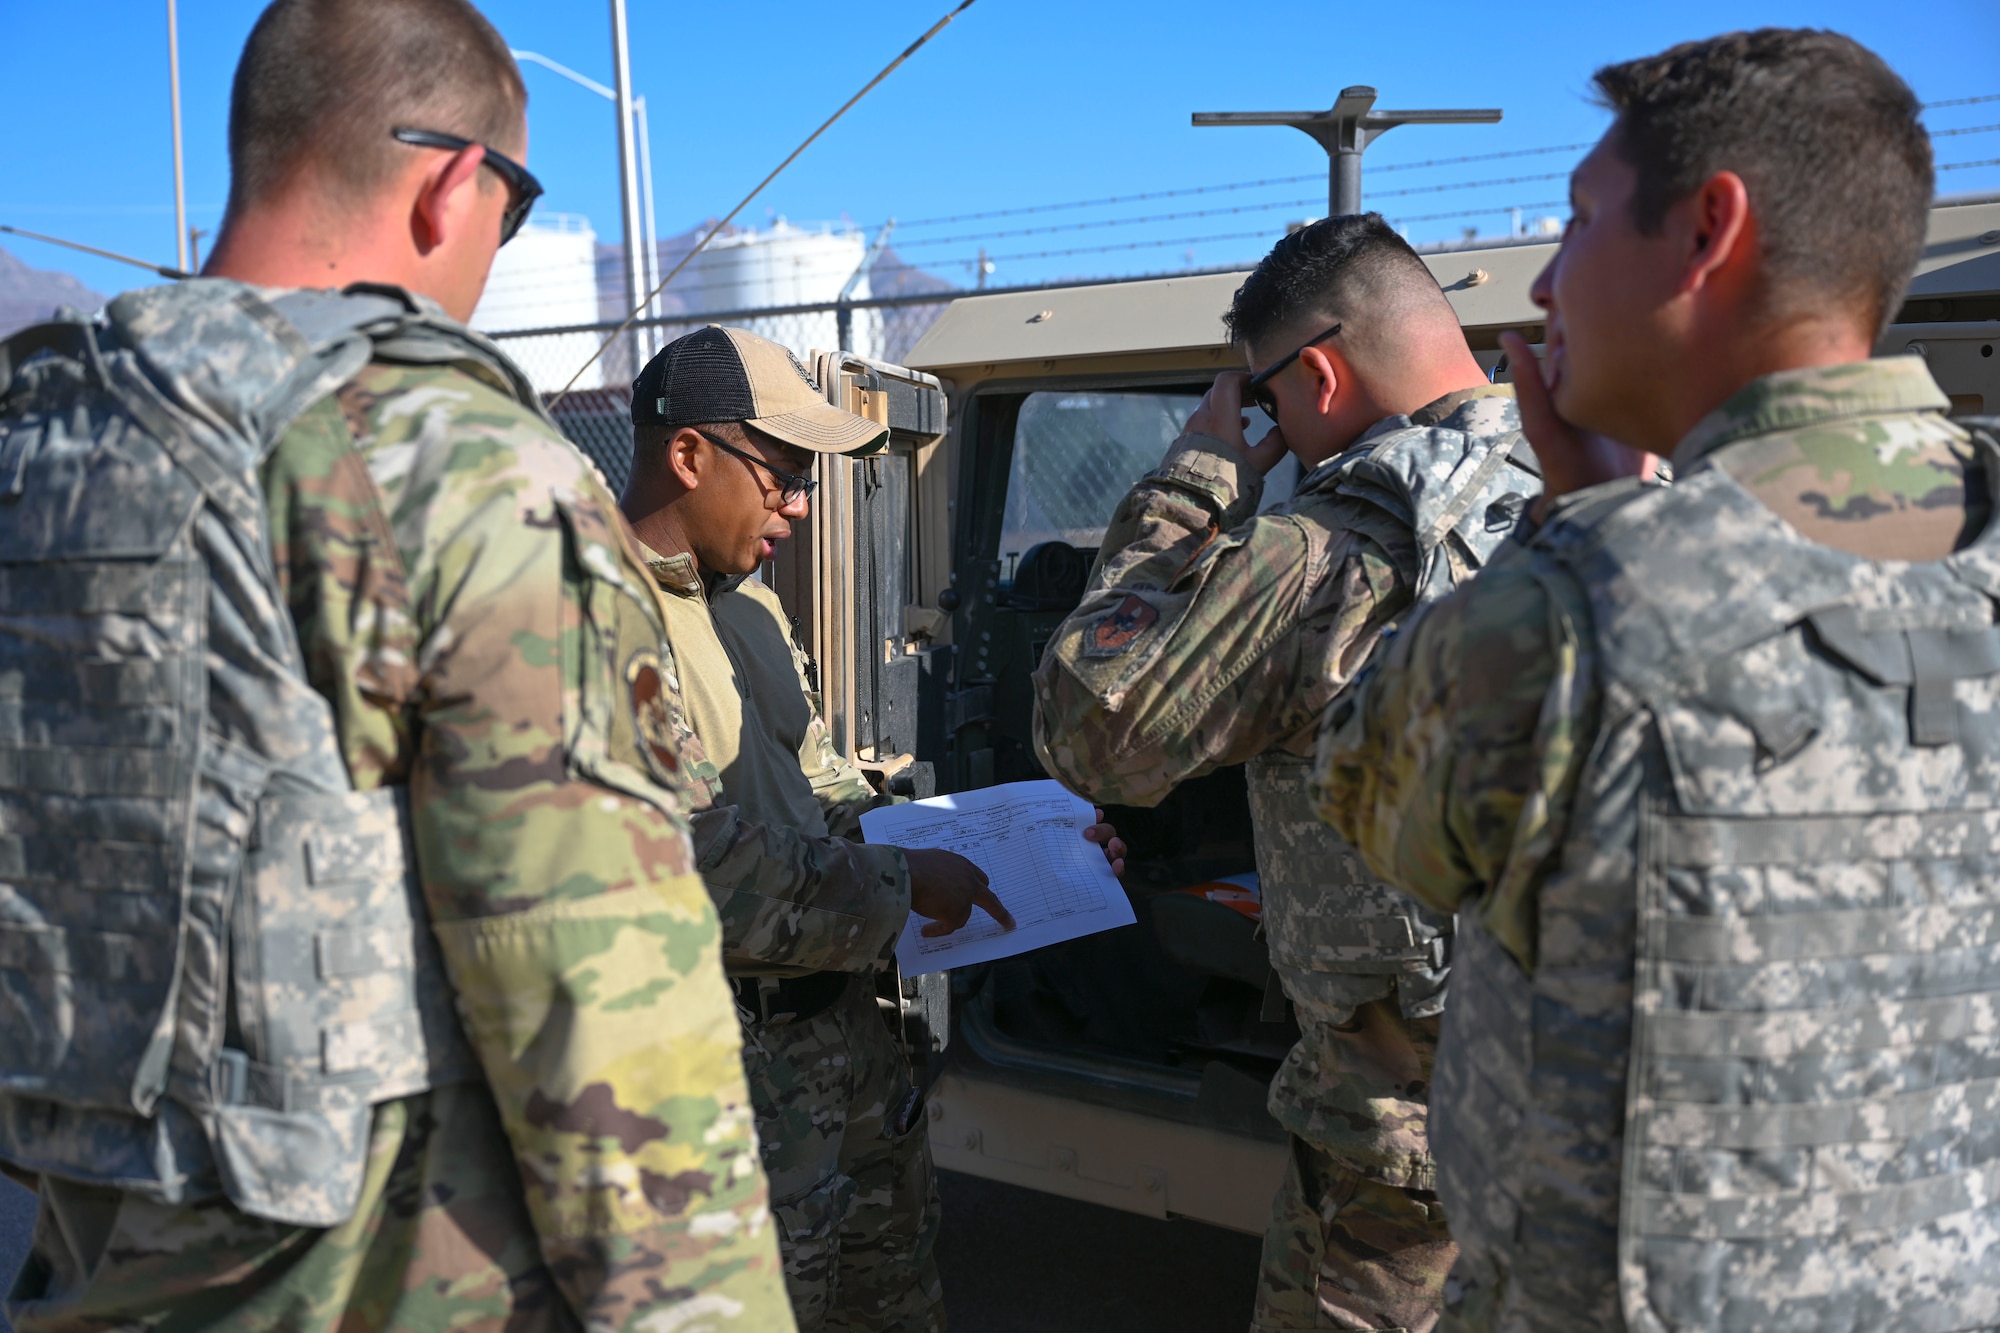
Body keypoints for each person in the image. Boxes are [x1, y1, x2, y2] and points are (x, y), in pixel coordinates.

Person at [0, 2, 793, 1329]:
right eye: (516, 203)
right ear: (450, 184)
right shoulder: (454, 463)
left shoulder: (40, 448)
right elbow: (606, 1013)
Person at [1314, 29, 1991, 1332]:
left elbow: (1369, 803)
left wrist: (1583, 527)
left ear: (1708, 230)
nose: (1548, 276)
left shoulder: (1571, 615)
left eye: (1576, 221)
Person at [1030, 215, 1540, 1333]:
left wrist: (1193, 485)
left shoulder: (1338, 541)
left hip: (1407, 1135)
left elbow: (1090, 732)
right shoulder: (1592, 480)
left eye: (1261, 400)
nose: (1267, 425)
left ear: (1314, 371)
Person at [618, 325, 1127, 1332]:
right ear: (687, 455)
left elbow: (829, 803)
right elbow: (682, 868)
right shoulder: (597, 621)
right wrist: (902, 887)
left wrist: (1032, 852)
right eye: (782, 476)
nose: (800, 508)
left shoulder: (749, 611)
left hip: (841, 1051)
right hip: (720, 1083)